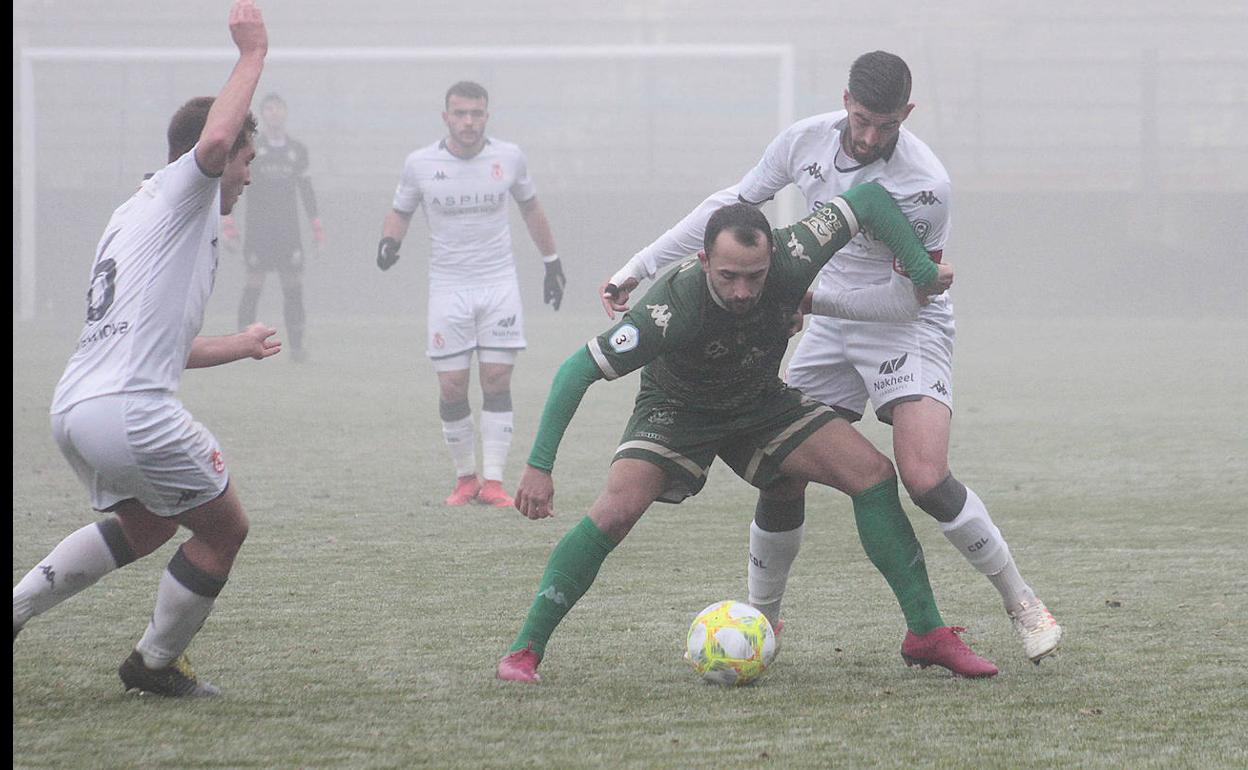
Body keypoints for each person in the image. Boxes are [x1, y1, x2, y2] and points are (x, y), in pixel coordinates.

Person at [598, 51, 1062, 663]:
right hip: (824, 320)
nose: (871, 137)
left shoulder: (927, 186)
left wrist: (807, 297)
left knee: (924, 477)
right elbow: (728, 209)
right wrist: (639, 265)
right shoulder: (803, 141)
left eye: (887, 125)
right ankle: (763, 623)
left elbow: (907, 298)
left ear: (908, 115)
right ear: (845, 101)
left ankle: (1022, 602)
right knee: (782, 466)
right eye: (863, 119)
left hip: (901, 324)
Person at [497, 185, 998, 684]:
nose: (742, 291)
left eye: (754, 277)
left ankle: (925, 633)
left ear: (773, 256)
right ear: (704, 259)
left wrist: (922, 268)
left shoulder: (795, 250)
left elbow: (867, 199)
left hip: (759, 401)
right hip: (678, 411)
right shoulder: (672, 307)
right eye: (728, 276)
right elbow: (576, 370)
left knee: (872, 475)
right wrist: (539, 466)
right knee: (615, 512)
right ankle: (525, 650)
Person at [11, 0, 274, 697]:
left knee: (151, 520)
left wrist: (241, 345)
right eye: (249, 160)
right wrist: (252, 54)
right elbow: (216, 147)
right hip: (130, 410)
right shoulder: (193, 187)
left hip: (77, 406)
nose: (246, 174)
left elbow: (168, 346)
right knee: (225, 531)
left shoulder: (137, 211)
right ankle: (153, 666)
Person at [376, 80, 566, 508]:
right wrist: (390, 241)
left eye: (476, 113)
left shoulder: (509, 158)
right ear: (446, 117)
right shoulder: (420, 163)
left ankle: (494, 482)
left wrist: (551, 262)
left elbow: (531, 207)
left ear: (486, 116)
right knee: (452, 387)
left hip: (499, 284)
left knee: (497, 379)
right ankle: (465, 479)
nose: (468, 122)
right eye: (460, 113)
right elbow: (401, 210)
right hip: (448, 288)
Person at [226, 91, 323, 363]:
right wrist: (229, 224)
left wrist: (316, 226)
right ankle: (240, 346)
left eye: (278, 108)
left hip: (288, 232)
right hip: (259, 232)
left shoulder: (297, 150)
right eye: (269, 109)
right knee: (254, 283)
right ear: (263, 114)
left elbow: (305, 189)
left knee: (293, 285)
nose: (274, 113)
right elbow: (234, 181)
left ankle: (297, 347)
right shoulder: (253, 149)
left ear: (285, 113)